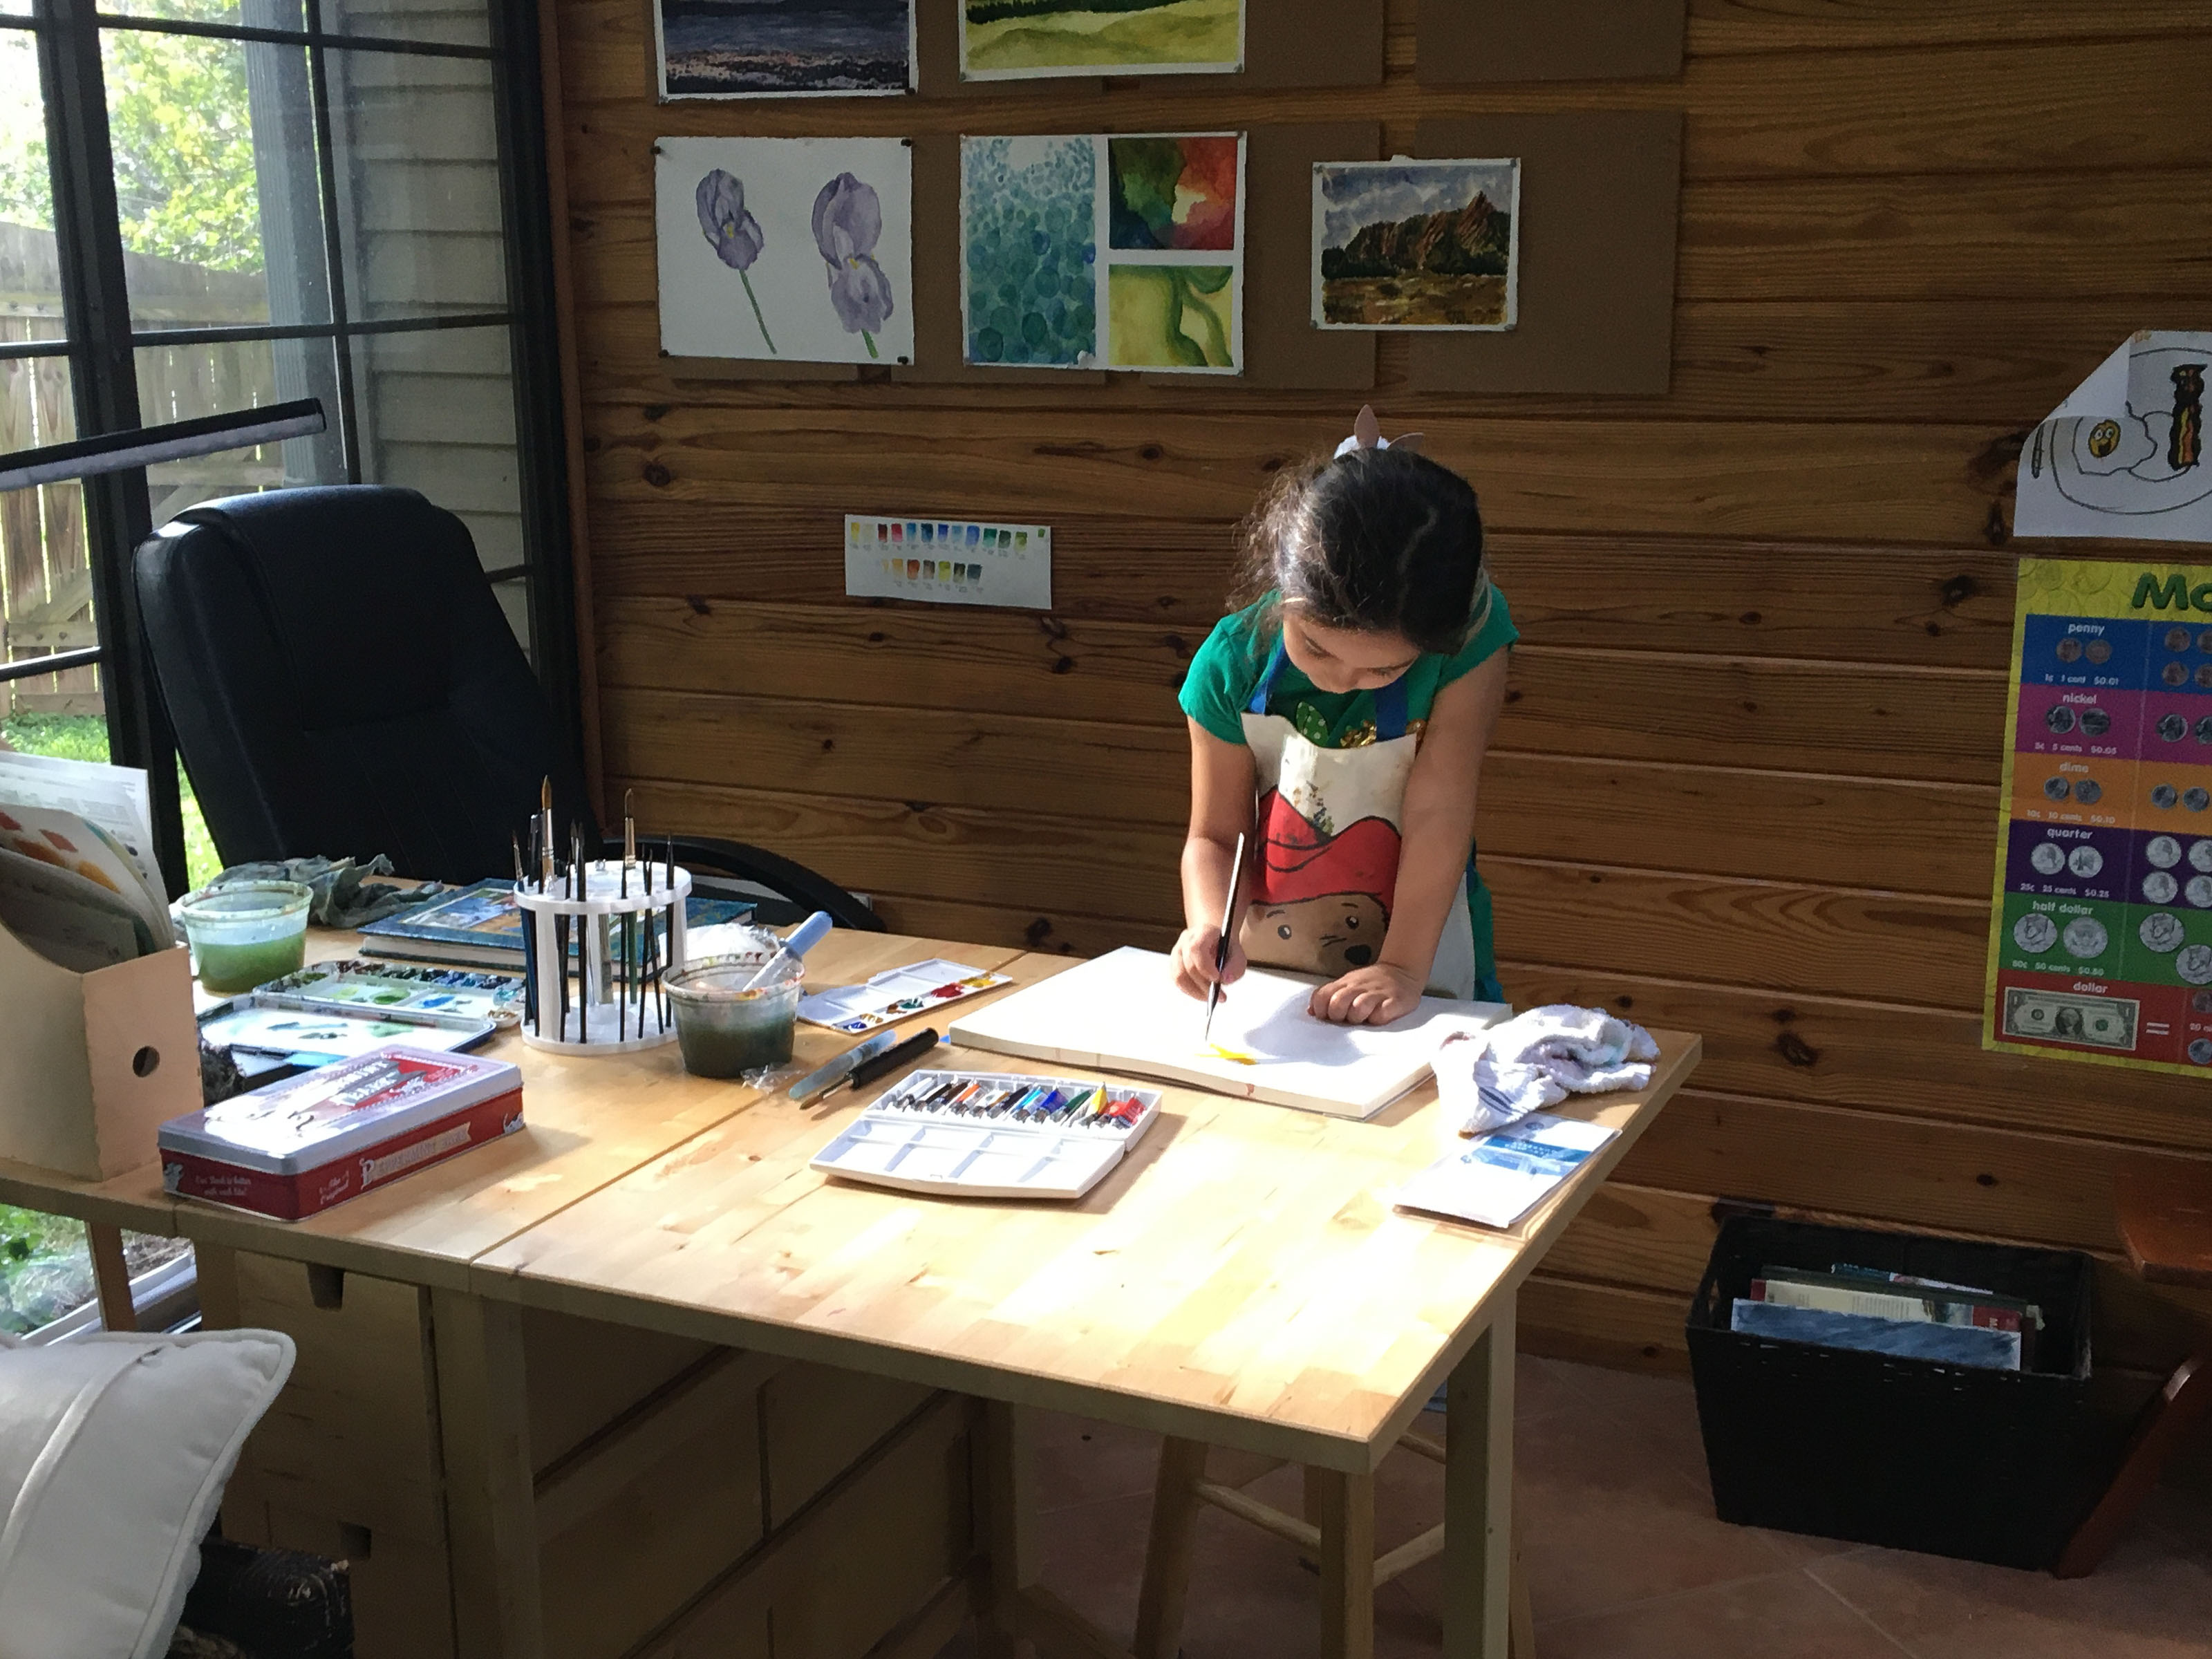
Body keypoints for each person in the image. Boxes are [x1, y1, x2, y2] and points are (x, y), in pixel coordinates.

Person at [1171, 407, 1516, 1026]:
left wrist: (1403, 968)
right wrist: (1207, 928)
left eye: (1385, 672)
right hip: (1271, 977)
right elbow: (1216, 836)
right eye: (1317, 649)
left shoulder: (1472, 644)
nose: (1338, 679)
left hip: (1421, 960)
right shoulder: (1232, 663)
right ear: (1282, 589)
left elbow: (1440, 812)